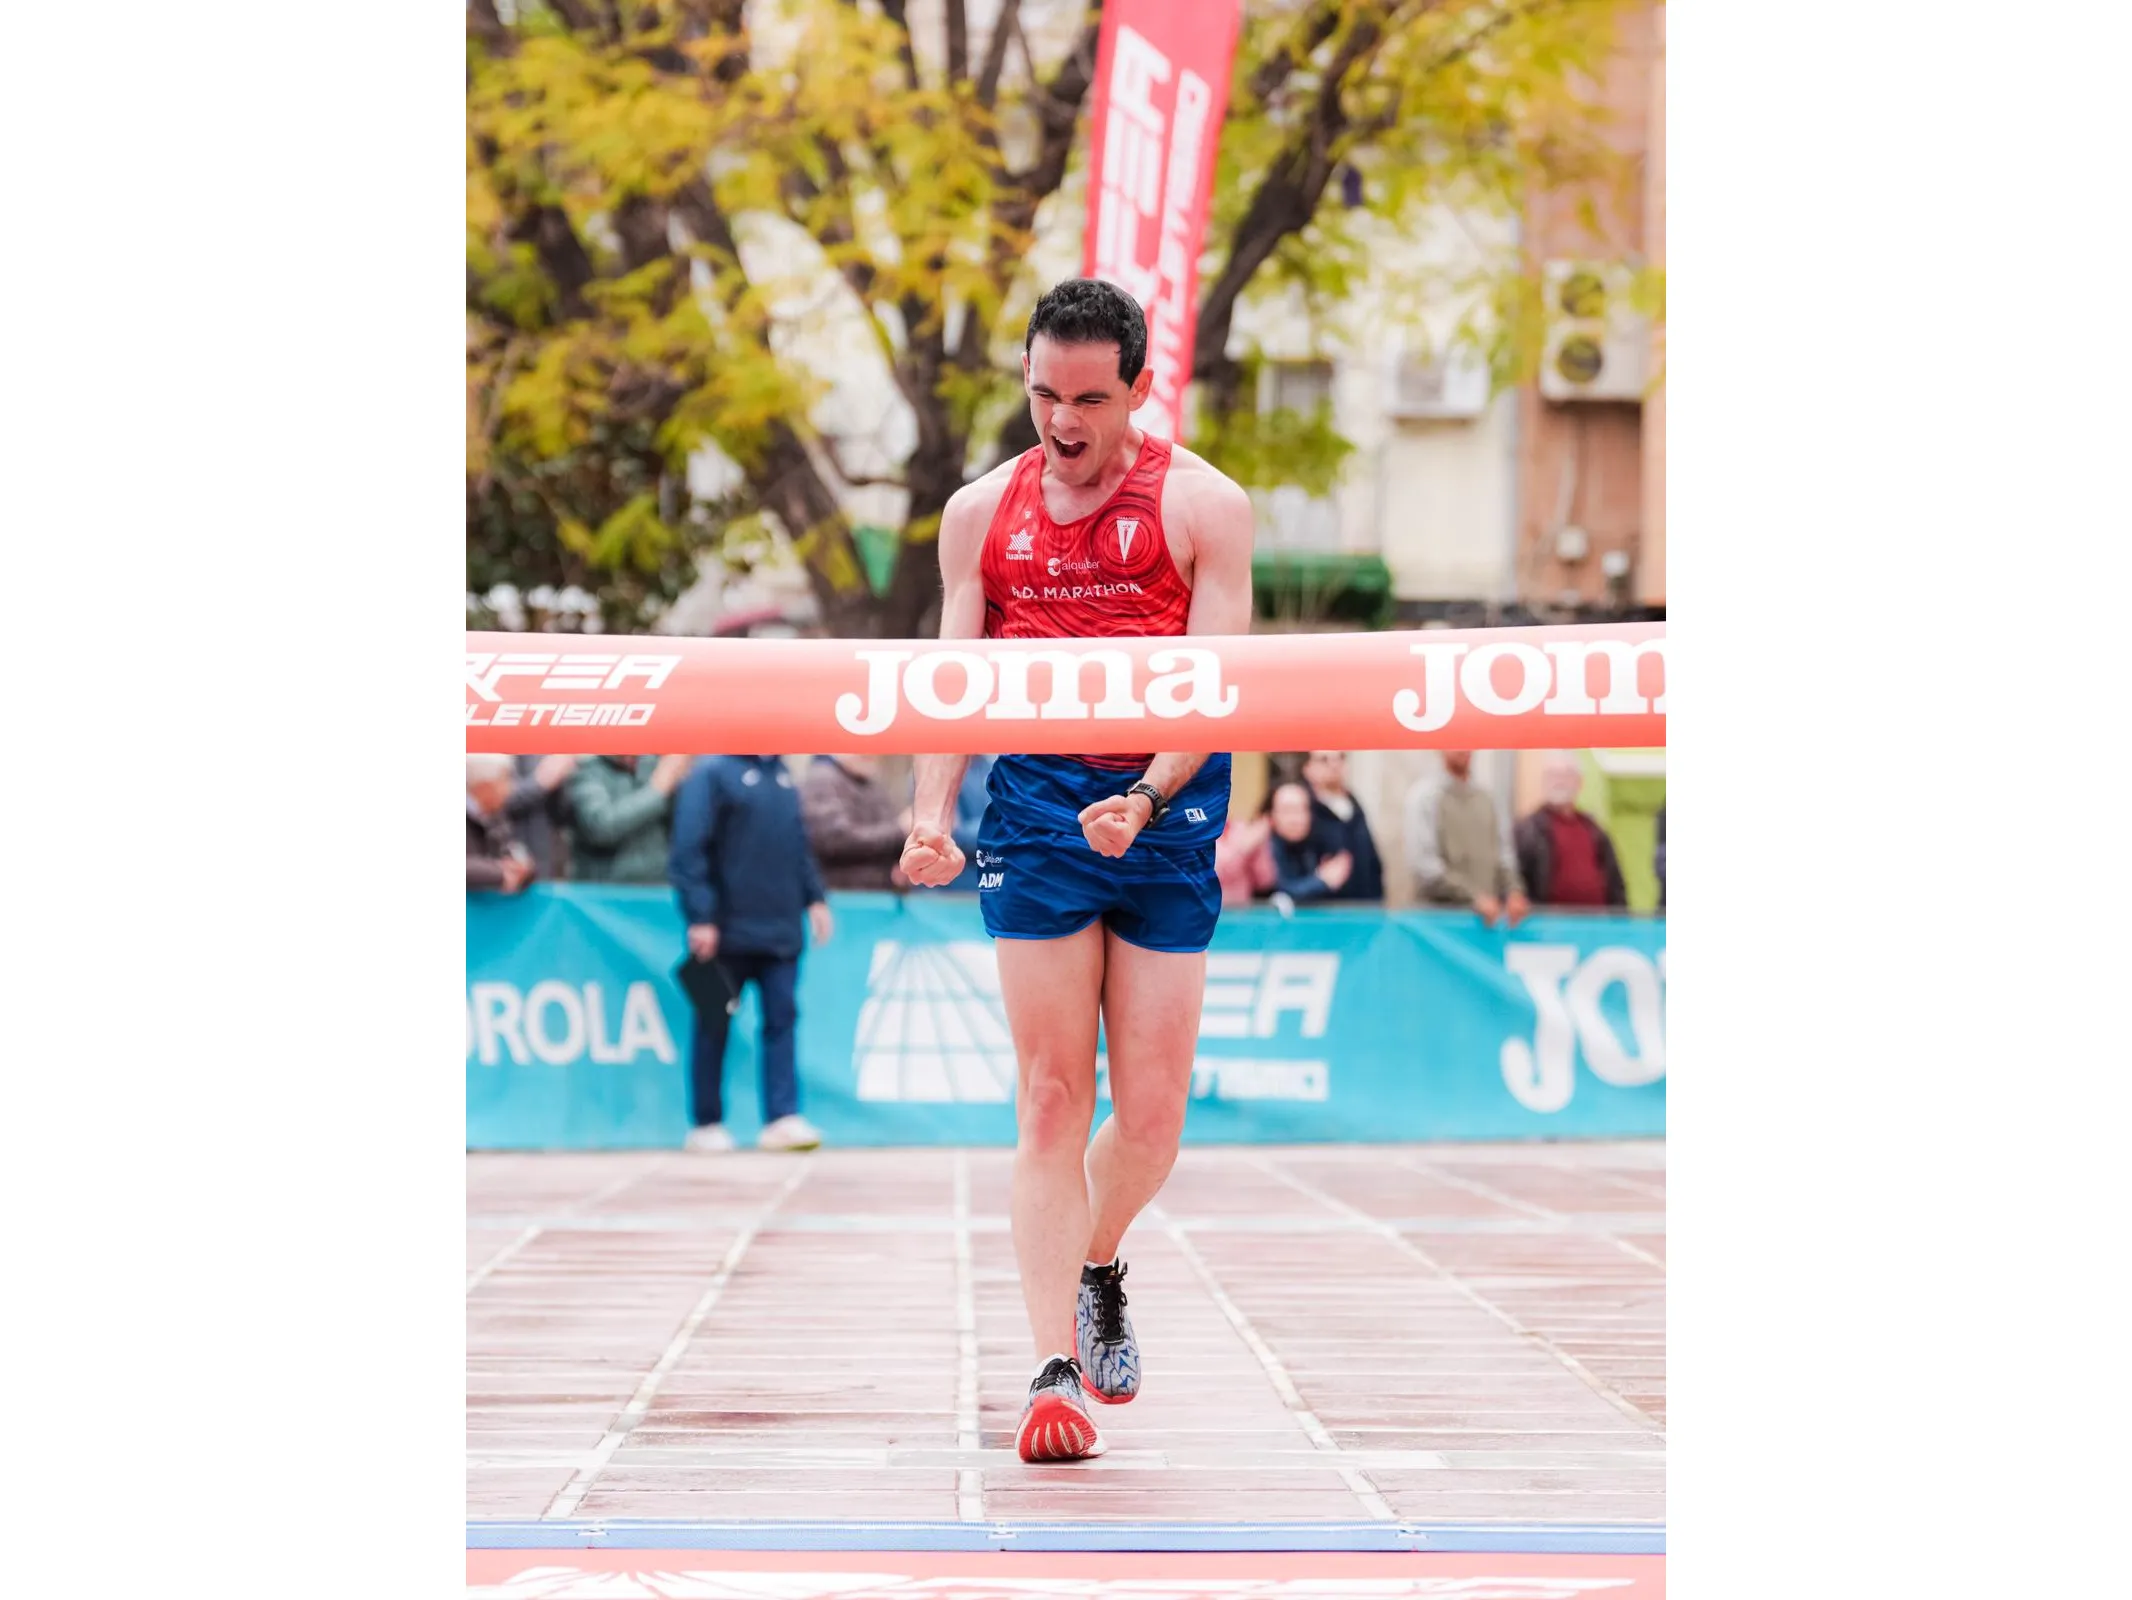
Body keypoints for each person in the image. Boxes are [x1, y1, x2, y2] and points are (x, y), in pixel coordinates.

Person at [898, 279, 1256, 1463]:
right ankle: (1051, 1365)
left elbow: (1216, 687)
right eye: (1043, 393)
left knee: (1149, 1119)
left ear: (1138, 390)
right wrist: (929, 816)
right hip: (1039, 815)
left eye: (1089, 399)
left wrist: (1145, 795)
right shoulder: (977, 514)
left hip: (1165, 813)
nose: (1061, 420)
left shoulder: (1204, 507)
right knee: (1051, 1096)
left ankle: (1097, 1261)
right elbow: (952, 684)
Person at [668, 755, 833, 1154]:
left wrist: (815, 898)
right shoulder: (711, 773)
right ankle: (706, 1124)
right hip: (723, 934)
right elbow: (688, 849)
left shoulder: (782, 775)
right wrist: (701, 916)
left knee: (782, 1022)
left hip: (781, 933)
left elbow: (797, 844)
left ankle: (781, 1118)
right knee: (713, 1024)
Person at [1405, 751, 1528, 927]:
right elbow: (1425, 867)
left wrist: (1514, 891)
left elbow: (1504, 855)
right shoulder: (1424, 797)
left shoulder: (1487, 798)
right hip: (1439, 924)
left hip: (1485, 924)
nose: (1463, 748)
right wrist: (1474, 898)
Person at [1514, 751, 1628, 910]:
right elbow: (1517, 884)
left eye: (1566, 775)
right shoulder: (1528, 830)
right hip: (1548, 922)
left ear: (1579, 781)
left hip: (1597, 920)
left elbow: (1615, 882)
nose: (1559, 781)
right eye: (1553, 775)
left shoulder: (1594, 829)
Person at [567, 754, 691, 883]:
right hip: (606, 888)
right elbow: (600, 826)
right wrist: (657, 790)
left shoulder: (654, 765)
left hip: (658, 884)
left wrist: (688, 785)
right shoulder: (588, 772)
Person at [800, 753, 910, 891]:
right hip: (840, 894)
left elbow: (888, 836)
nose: (870, 753)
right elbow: (837, 839)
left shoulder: (870, 784)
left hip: (876, 894)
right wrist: (900, 830)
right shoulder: (822, 780)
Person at [1300, 751, 1383, 901]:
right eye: (1324, 760)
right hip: (1322, 908)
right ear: (1307, 768)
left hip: (1364, 906)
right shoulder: (1302, 811)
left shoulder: (1355, 807)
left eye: (1341, 758)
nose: (1334, 765)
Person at [1264, 780, 1351, 905]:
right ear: (1271, 815)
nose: (1295, 819)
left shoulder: (1320, 842)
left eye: (1301, 810)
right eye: (1287, 810)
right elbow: (1279, 892)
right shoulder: (1263, 847)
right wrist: (1321, 881)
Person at [467, 754, 535, 894]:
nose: (510, 789)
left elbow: (512, 853)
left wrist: (523, 868)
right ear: (485, 786)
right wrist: (498, 873)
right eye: (505, 781)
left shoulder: (495, 816)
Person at [504, 754, 578, 880]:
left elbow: (565, 816)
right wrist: (540, 782)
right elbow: (496, 800)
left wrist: (567, 779)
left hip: (551, 859)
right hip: (512, 858)